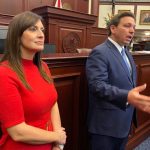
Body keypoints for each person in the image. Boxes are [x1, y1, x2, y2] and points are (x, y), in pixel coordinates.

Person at [0, 11, 66, 150]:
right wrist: (57, 137)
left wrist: (58, 145)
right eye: (33, 29)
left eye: (42, 29)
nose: (41, 35)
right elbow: (17, 131)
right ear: (17, 36)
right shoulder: (4, 73)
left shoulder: (43, 67)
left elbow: (53, 103)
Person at [86, 12, 150, 150]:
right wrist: (127, 96)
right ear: (113, 28)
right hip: (105, 127)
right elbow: (97, 86)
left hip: (123, 123)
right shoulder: (100, 52)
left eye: (133, 27)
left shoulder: (126, 52)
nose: (132, 31)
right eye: (127, 26)